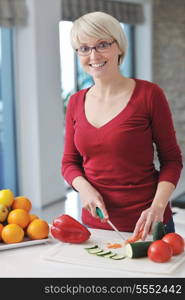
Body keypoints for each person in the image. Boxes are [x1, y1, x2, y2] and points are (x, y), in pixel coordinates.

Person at [61, 11, 183, 240]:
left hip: (150, 225)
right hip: (95, 228)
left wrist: (158, 206)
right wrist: (85, 190)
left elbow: (172, 160)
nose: (93, 54)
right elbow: (69, 162)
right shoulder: (76, 102)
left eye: (102, 44)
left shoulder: (149, 95)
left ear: (119, 46)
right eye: (84, 48)